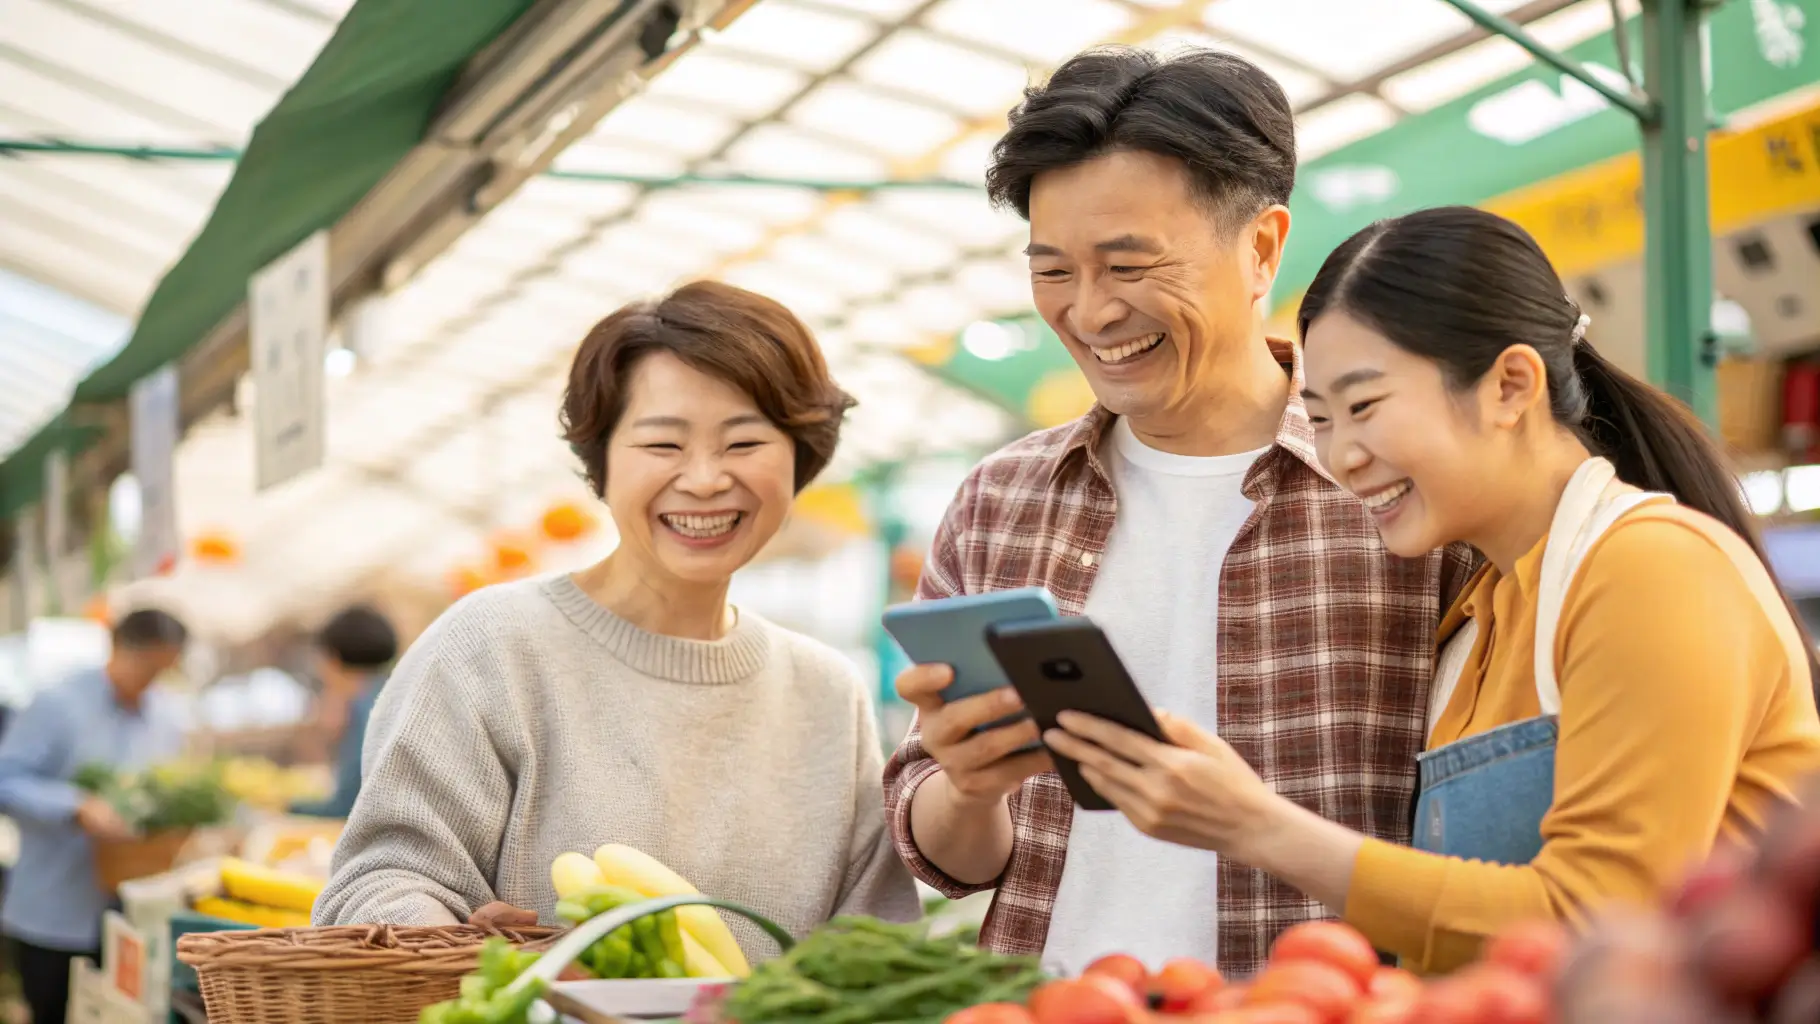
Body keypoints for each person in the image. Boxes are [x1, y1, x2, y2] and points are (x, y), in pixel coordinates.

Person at [1041, 206, 1820, 974]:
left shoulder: (1650, 567)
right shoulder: (1481, 609)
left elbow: (1601, 919)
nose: (1342, 456)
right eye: (1322, 418)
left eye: (1365, 407)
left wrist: (1255, 826)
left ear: (1511, 385)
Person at [882, 46, 1477, 977]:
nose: (1090, 312)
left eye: (1128, 264)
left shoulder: (1400, 489)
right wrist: (967, 787)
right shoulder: (1000, 501)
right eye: (1053, 271)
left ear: (1263, 249)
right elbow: (953, 862)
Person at [315, 281, 921, 961]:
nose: (704, 480)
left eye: (744, 443)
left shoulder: (826, 692)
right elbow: (380, 879)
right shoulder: (490, 646)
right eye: (663, 445)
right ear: (601, 461)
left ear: (800, 458)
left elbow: (873, 939)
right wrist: (457, 952)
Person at [0, 609, 190, 1024]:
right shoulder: (56, 703)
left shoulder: (166, 716)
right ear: (119, 648)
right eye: (149, 667)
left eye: (165, 670)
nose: (153, 681)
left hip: (131, 913)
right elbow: (5, 779)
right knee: (51, 1011)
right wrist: (74, 806)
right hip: (53, 911)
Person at [291, 605, 397, 820]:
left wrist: (286, 806)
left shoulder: (365, 710)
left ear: (334, 658)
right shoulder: (393, 693)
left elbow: (347, 805)